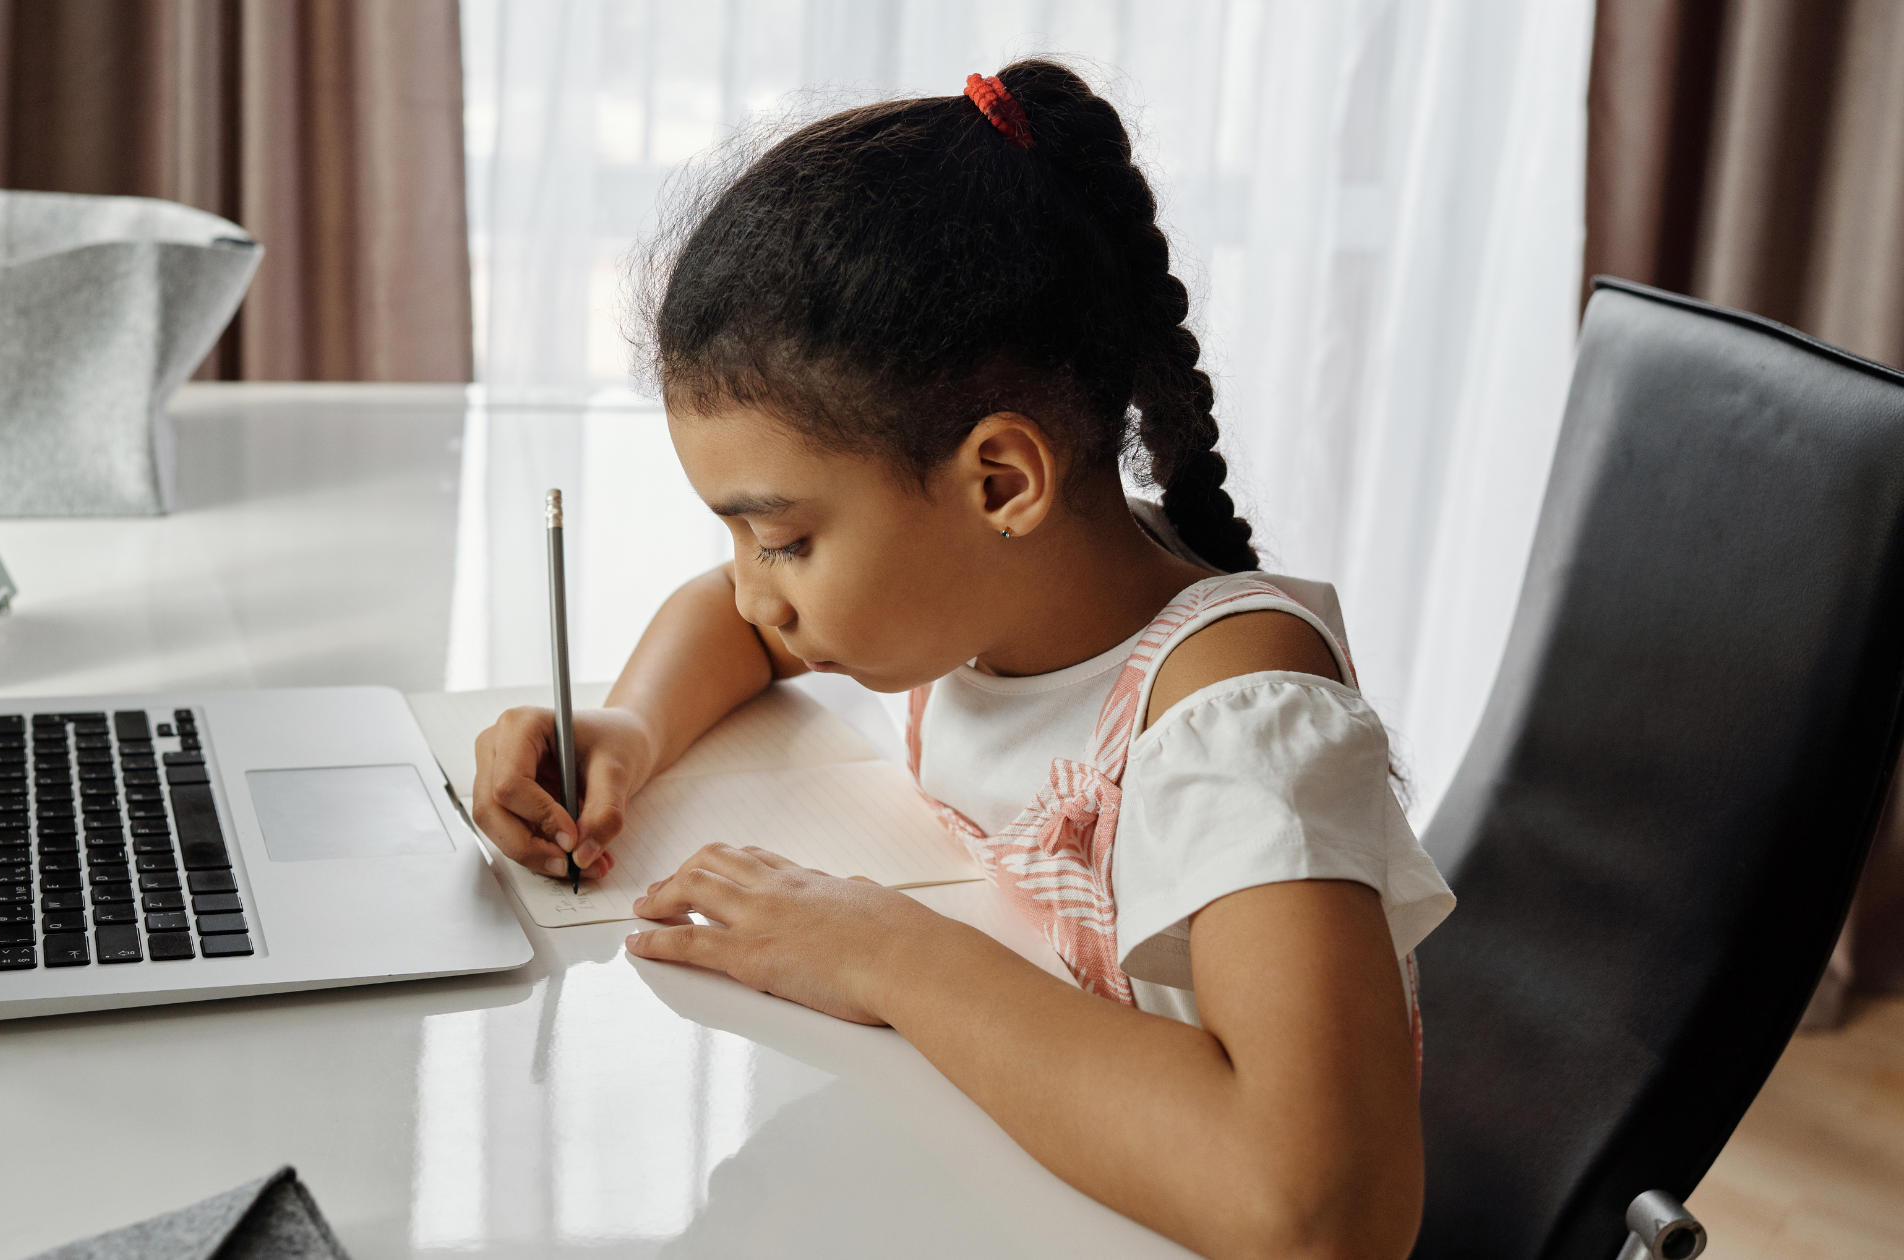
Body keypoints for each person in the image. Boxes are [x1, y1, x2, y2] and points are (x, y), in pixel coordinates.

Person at [470, 60, 1456, 1260]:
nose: (748, 586)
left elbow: (1324, 1211)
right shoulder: (998, 592)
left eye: (780, 537)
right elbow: (737, 625)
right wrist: (625, 731)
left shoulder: (1230, 725)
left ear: (1000, 480)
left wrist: (881, 950)